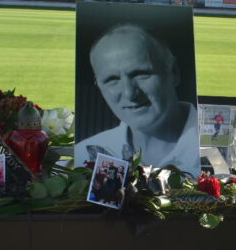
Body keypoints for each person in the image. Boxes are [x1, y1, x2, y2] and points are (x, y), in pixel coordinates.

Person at [75, 24, 199, 174]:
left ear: (173, 72)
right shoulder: (81, 157)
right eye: (112, 80)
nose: (129, 93)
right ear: (99, 86)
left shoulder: (218, 151)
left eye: (141, 74)